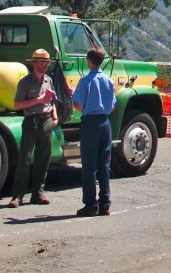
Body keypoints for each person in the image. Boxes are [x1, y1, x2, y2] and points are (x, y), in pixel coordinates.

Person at [8, 48, 59, 208]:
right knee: (24, 158)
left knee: (43, 158)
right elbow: (17, 104)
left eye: (47, 63)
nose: (46, 65)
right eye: (43, 62)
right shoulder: (25, 83)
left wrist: (55, 117)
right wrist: (38, 100)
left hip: (46, 120)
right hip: (31, 121)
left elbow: (51, 101)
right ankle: (18, 196)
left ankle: (38, 193)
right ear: (35, 63)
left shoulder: (48, 80)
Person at [71, 47, 116, 217]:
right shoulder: (109, 81)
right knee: (104, 163)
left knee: (89, 166)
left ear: (89, 61)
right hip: (105, 122)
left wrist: (73, 98)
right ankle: (105, 203)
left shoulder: (85, 82)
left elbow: (79, 105)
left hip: (90, 123)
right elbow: (112, 107)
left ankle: (91, 204)